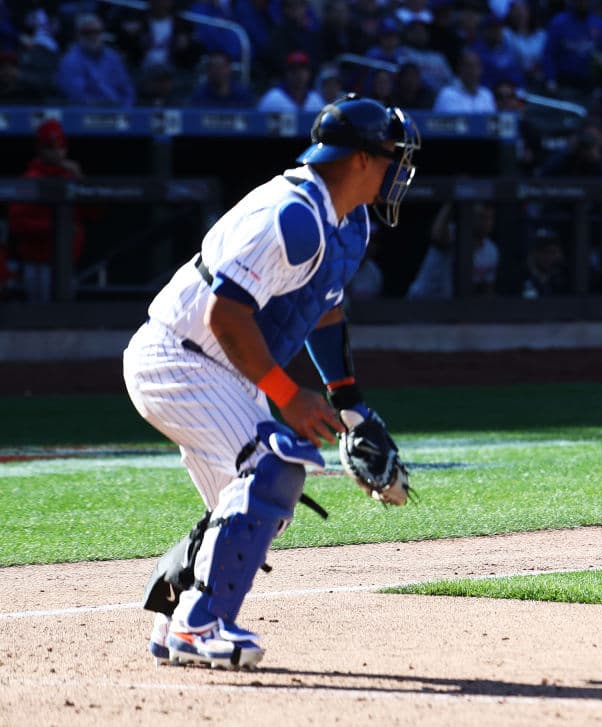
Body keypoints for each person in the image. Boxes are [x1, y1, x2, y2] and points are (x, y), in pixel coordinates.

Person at [123, 95, 420, 668]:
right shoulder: (294, 217)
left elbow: (321, 308)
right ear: (359, 159)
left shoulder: (348, 222)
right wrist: (288, 395)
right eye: (391, 158)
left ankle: (175, 617)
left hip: (222, 368)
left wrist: (349, 404)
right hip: (180, 358)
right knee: (273, 466)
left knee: (258, 509)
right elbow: (224, 316)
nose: (398, 171)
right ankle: (201, 625)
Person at [7, 119, 90, 302]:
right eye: (50, 147)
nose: (57, 152)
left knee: (66, 317)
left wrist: (81, 181)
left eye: (60, 147)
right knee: (39, 316)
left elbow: (94, 213)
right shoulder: (30, 179)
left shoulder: (71, 176)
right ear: (40, 149)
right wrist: (56, 228)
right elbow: (17, 223)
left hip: (67, 262)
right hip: (37, 262)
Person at [56, 13, 135, 107]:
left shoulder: (113, 58)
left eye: (97, 32)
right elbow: (76, 95)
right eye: (87, 32)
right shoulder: (69, 60)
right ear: (78, 34)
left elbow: (127, 90)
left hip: (117, 112)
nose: (93, 36)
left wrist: (126, 111)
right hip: (85, 115)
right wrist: (100, 110)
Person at [256, 50, 325, 112]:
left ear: (309, 73)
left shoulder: (316, 100)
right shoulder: (272, 99)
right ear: (287, 73)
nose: (298, 74)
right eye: (294, 70)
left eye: (302, 69)